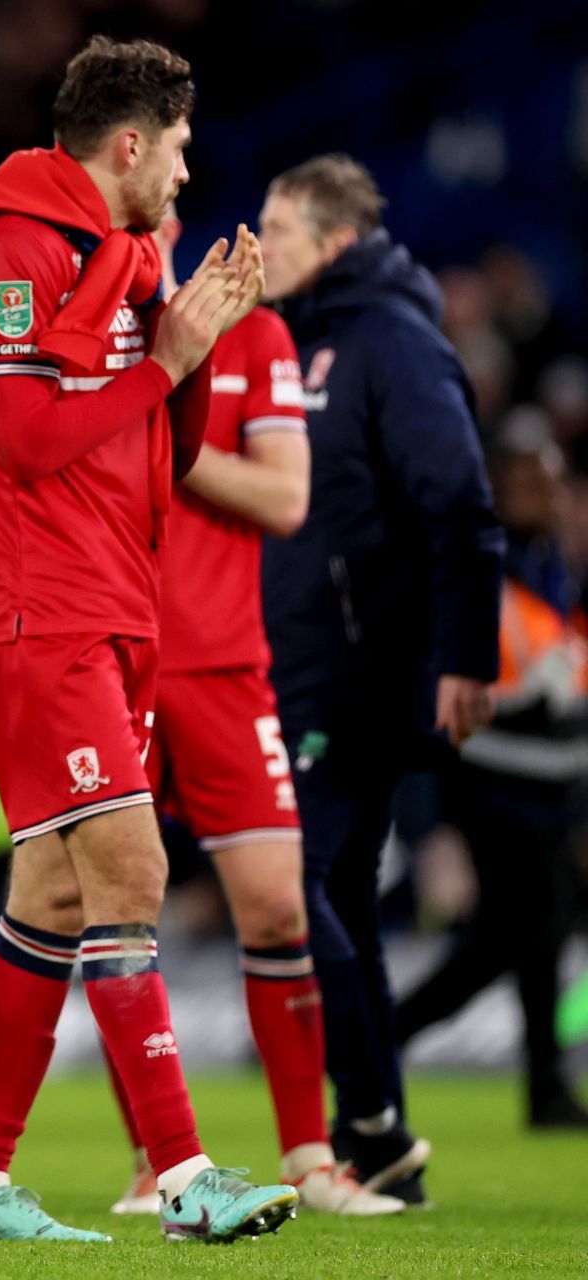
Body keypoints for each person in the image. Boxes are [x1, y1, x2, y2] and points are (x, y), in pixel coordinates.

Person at [0, 36, 299, 1244]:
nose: (190, 174)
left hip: (115, 601)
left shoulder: (134, 259)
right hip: (43, 609)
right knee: (131, 876)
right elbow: (30, 436)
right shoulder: (9, 253)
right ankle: (185, 1174)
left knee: (48, 888)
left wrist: (185, 356)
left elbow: (165, 452)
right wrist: (178, 355)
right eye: (181, 149)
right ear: (129, 144)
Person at [102, 214, 402, 1217]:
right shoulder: (90, 328)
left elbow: (282, 496)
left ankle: (311, 1158)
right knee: (118, 913)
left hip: (228, 663)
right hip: (114, 660)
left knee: (278, 903)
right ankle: (155, 1161)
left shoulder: (258, 337)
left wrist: (160, 435)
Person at [259, 153, 505, 1203]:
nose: (258, 243)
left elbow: (461, 502)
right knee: (340, 895)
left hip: (365, 669)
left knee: (288, 882)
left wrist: (465, 654)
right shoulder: (295, 342)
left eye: (277, 227)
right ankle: (381, 1136)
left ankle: (365, 1115)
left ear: (335, 242)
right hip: (302, 664)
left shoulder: (393, 344)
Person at [395, 417, 588, 1130]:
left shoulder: (548, 564)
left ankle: (541, 1084)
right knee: (519, 937)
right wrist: (431, 820)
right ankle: (393, 1037)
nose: (552, 493)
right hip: (490, 783)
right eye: (533, 480)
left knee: (526, 937)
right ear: (500, 491)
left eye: (556, 478)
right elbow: (446, 690)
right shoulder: (481, 568)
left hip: (548, 785)